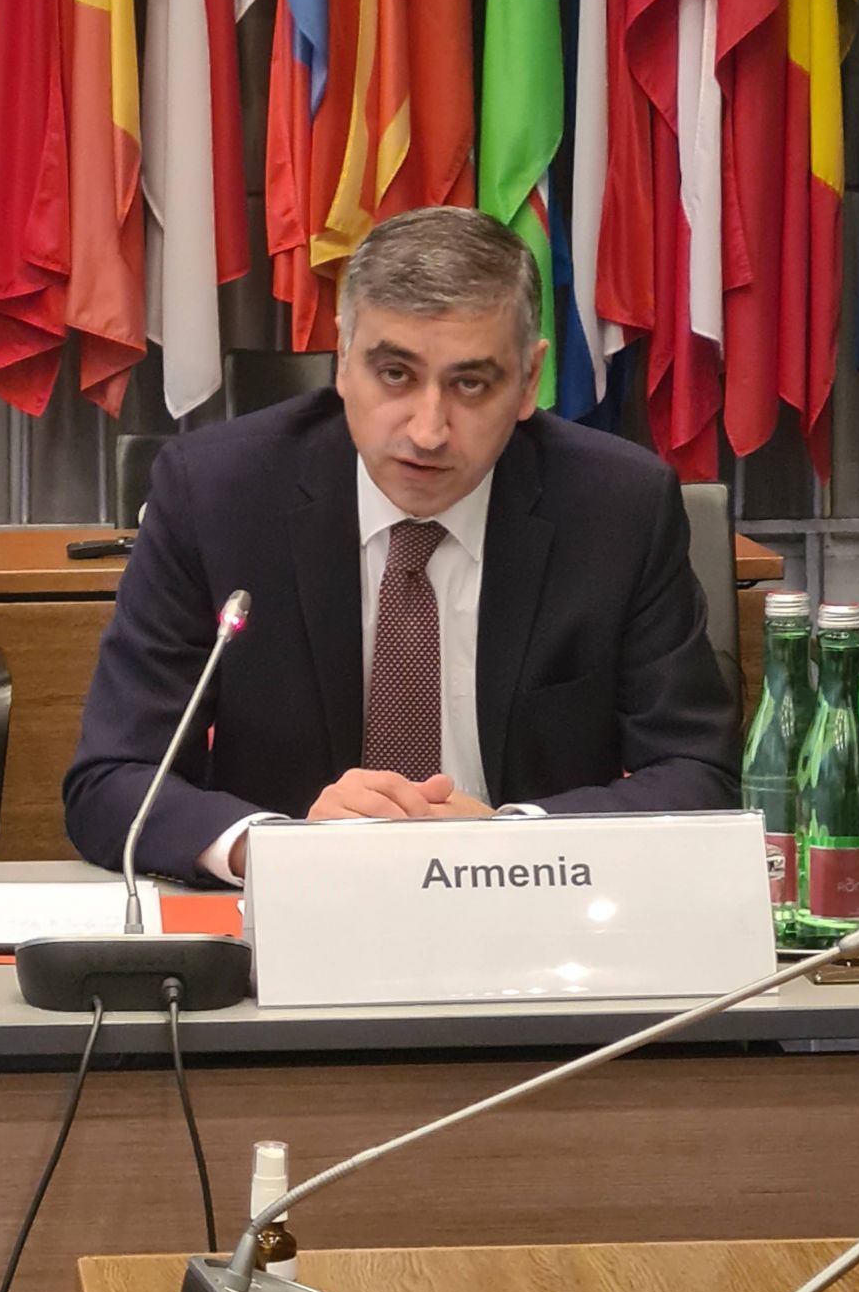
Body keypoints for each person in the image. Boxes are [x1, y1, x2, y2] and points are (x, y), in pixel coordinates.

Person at [64, 207, 740, 882]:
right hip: (297, 910)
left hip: (532, 904)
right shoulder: (217, 495)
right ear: (342, 360)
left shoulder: (618, 508)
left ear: (529, 380)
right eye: (394, 374)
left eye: (470, 384)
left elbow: (697, 773)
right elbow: (115, 777)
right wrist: (276, 848)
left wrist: (515, 843)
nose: (427, 431)